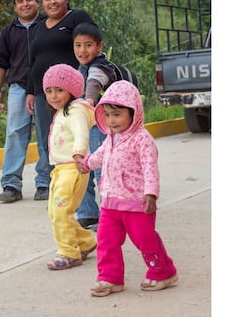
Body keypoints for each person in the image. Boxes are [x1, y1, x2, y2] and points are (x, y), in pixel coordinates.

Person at [75, 80, 178, 296]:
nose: (112, 121)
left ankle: (163, 271)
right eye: (108, 114)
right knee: (106, 241)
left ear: (133, 112)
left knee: (145, 240)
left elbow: (150, 168)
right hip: (110, 201)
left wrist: (151, 193)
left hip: (136, 203)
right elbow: (100, 156)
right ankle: (110, 278)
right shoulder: (111, 138)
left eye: (118, 114)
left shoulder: (142, 140)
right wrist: (86, 164)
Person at [25, 0, 95, 200]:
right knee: (50, 141)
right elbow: (32, 60)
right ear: (41, 2)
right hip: (43, 94)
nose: (52, 2)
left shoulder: (77, 18)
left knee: (77, 141)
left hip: (71, 94)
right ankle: (59, 189)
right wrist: (30, 91)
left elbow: (90, 46)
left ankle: (84, 197)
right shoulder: (37, 26)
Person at [0, 0, 51, 203]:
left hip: (46, 87)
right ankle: (11, 184)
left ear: (37, 2)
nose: (25, 4)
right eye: (20, 1)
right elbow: (0, 61)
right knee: (15, 133)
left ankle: (44, 182)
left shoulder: (48, 25)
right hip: (18, 87)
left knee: (47, 134)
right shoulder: (8, 32)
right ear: (15, 7)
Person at [42, 64, 97, 270]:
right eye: (49, 91)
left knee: (60, 212)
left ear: (72, 90)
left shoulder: (76, 112)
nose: (54, 96)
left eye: (59, 90)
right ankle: (85, 242)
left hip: (73, 167)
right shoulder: (62, 112)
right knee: (56, 211)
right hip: (60, 169)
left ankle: (69, 253)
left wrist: (79, 154)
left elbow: (81, 132)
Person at [73, 22, 117, 229]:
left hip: (99, 126)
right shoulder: (80, 67)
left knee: (102, 170)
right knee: (82, 167)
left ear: (99, 46)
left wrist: (88, 102)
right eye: (78, 45)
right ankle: (88, 212)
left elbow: (94, 83)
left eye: (88, 45)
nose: (82, 50)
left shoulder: (101, 66)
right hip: (84, 125)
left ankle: (111, 213)